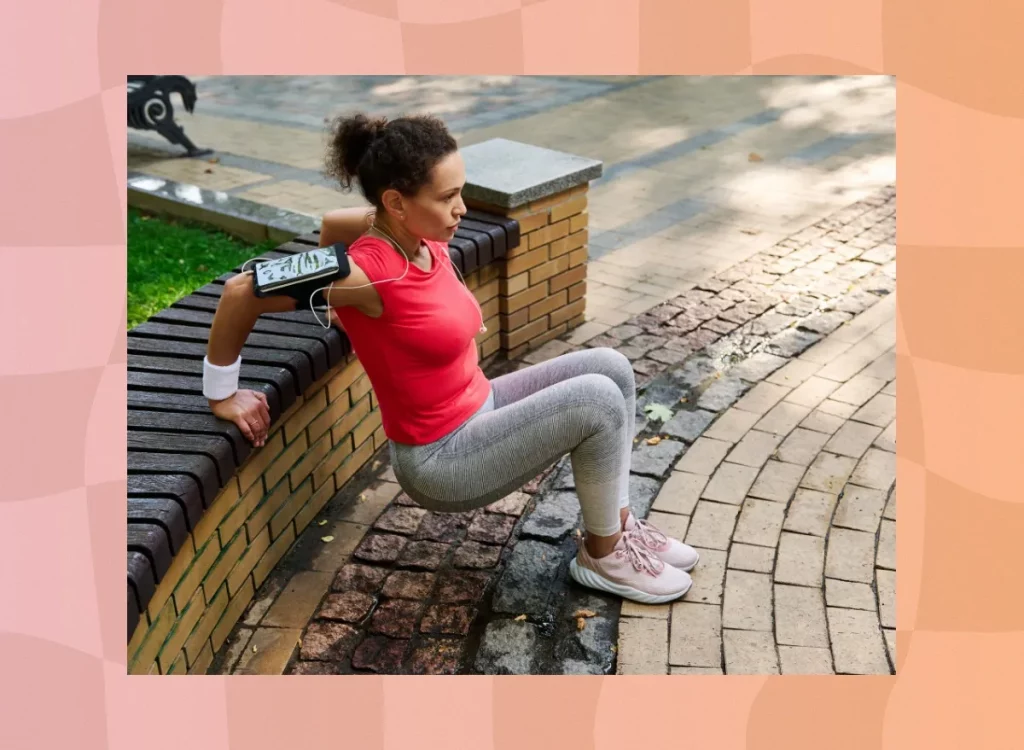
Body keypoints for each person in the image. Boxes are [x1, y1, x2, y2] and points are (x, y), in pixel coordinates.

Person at [204, 112, 699, 604]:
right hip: (442, 458)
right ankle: (604, 555)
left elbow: (336, 222)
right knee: (596, 400)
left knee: (610, 366)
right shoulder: (370, 273)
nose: (462, 208)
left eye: (459, 191)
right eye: (447, 197)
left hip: (479, 407)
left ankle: (620, 524)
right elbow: (241, 291)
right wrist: (223, 391)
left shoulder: (410, 231)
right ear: (397, 202)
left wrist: (336, 308)